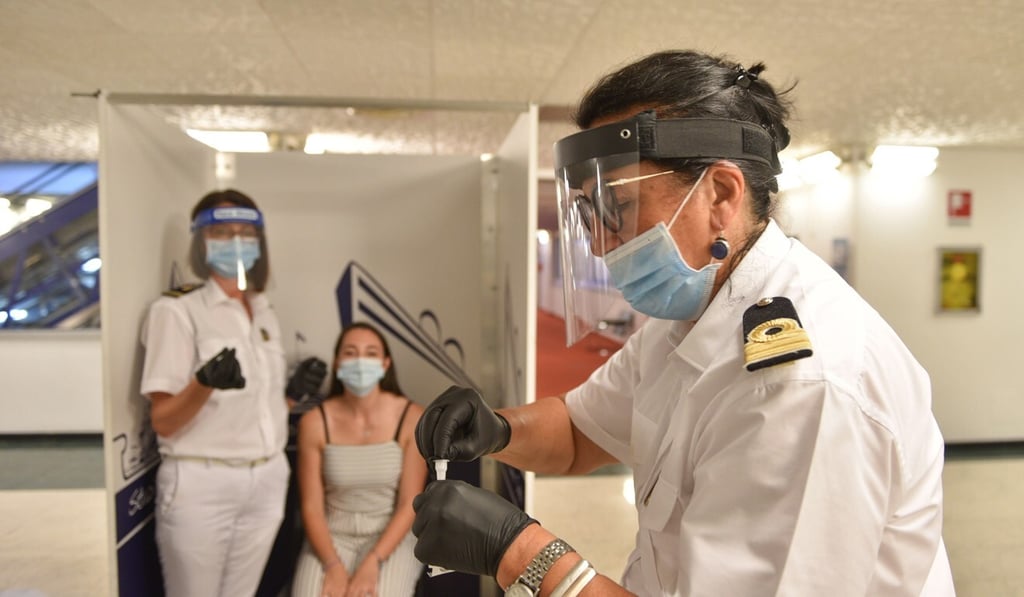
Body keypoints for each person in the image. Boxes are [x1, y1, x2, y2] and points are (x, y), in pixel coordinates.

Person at [411, 50, 955, 596]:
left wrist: (519, 551)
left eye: (615, 206)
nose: (599, 243)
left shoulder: (799, 387)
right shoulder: (692, 318)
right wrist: (499, 430)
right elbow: (580, 433)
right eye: (588, 213)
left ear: (720, 194)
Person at [140, 188, 327, 597]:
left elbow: (256, 407)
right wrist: (203, 385)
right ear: (200, 242)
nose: (236, 241)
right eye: (223, 232)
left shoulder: (262, 309)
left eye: (246, 232)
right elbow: (164, 420)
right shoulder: (175, 312)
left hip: (267, 476)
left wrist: (292, 396)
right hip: (202, 481)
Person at [291, 322, 427, 597]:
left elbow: (409, 505)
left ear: (386, 363)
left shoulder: (411, 417)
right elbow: (311, 508)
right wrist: (332, 565)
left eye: (371, 353)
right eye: (351, 353)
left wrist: (373, 563)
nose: (360, 362)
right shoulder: (314, 422)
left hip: (392, 537)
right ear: (338, 362)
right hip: (331, 538)